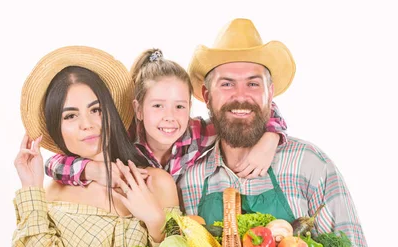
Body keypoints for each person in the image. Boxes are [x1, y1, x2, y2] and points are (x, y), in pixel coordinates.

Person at [178, 18, 374, 247]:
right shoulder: (191, 179)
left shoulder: (309, 165)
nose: (240, 96)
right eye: (227, 83)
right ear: (206, 94)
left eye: (253, 83)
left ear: (271, 93)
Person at [12, 46, 210, 247]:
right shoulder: (53, 192)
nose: (87, 125)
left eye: (96, 110)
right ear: (57, 127)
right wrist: (29, 187)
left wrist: (154, 220)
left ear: (111, 113)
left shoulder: (156, 182)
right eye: (70, 116)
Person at [43, 48, 288, 192]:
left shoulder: (197, 133)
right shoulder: (121, 136)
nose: (170, 118)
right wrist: (94, 170)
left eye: (179, 106)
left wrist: (270, 138)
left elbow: (246, 110)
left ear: (191, 107)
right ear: (138, 109)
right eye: (158, 106)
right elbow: (54, 164)